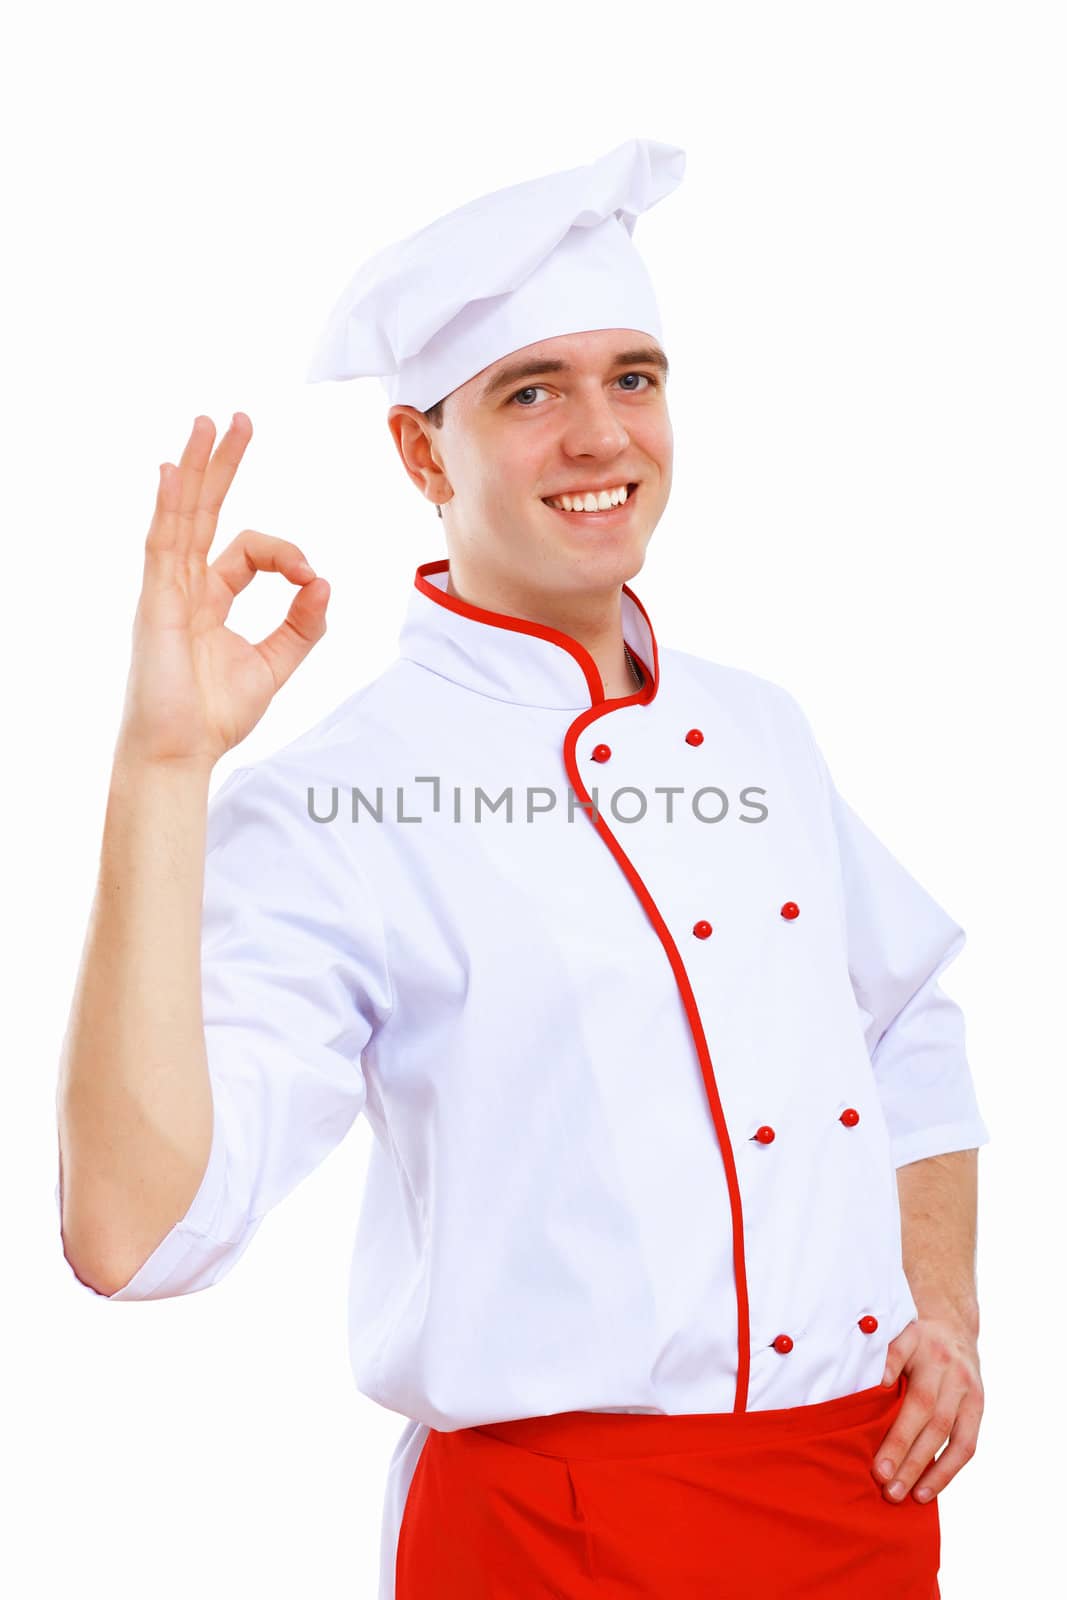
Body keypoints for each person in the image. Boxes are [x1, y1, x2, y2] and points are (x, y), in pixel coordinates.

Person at [55, 139, 990, 1599]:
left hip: (852, 1504)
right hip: (557, 1542)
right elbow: (133, 1230)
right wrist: (161, 771)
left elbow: (907, 1026)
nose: (601, 436)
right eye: (529, 392)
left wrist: (942, 1302)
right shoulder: (341, 801)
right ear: (422, 454)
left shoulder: (757, 727)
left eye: (633, 377)